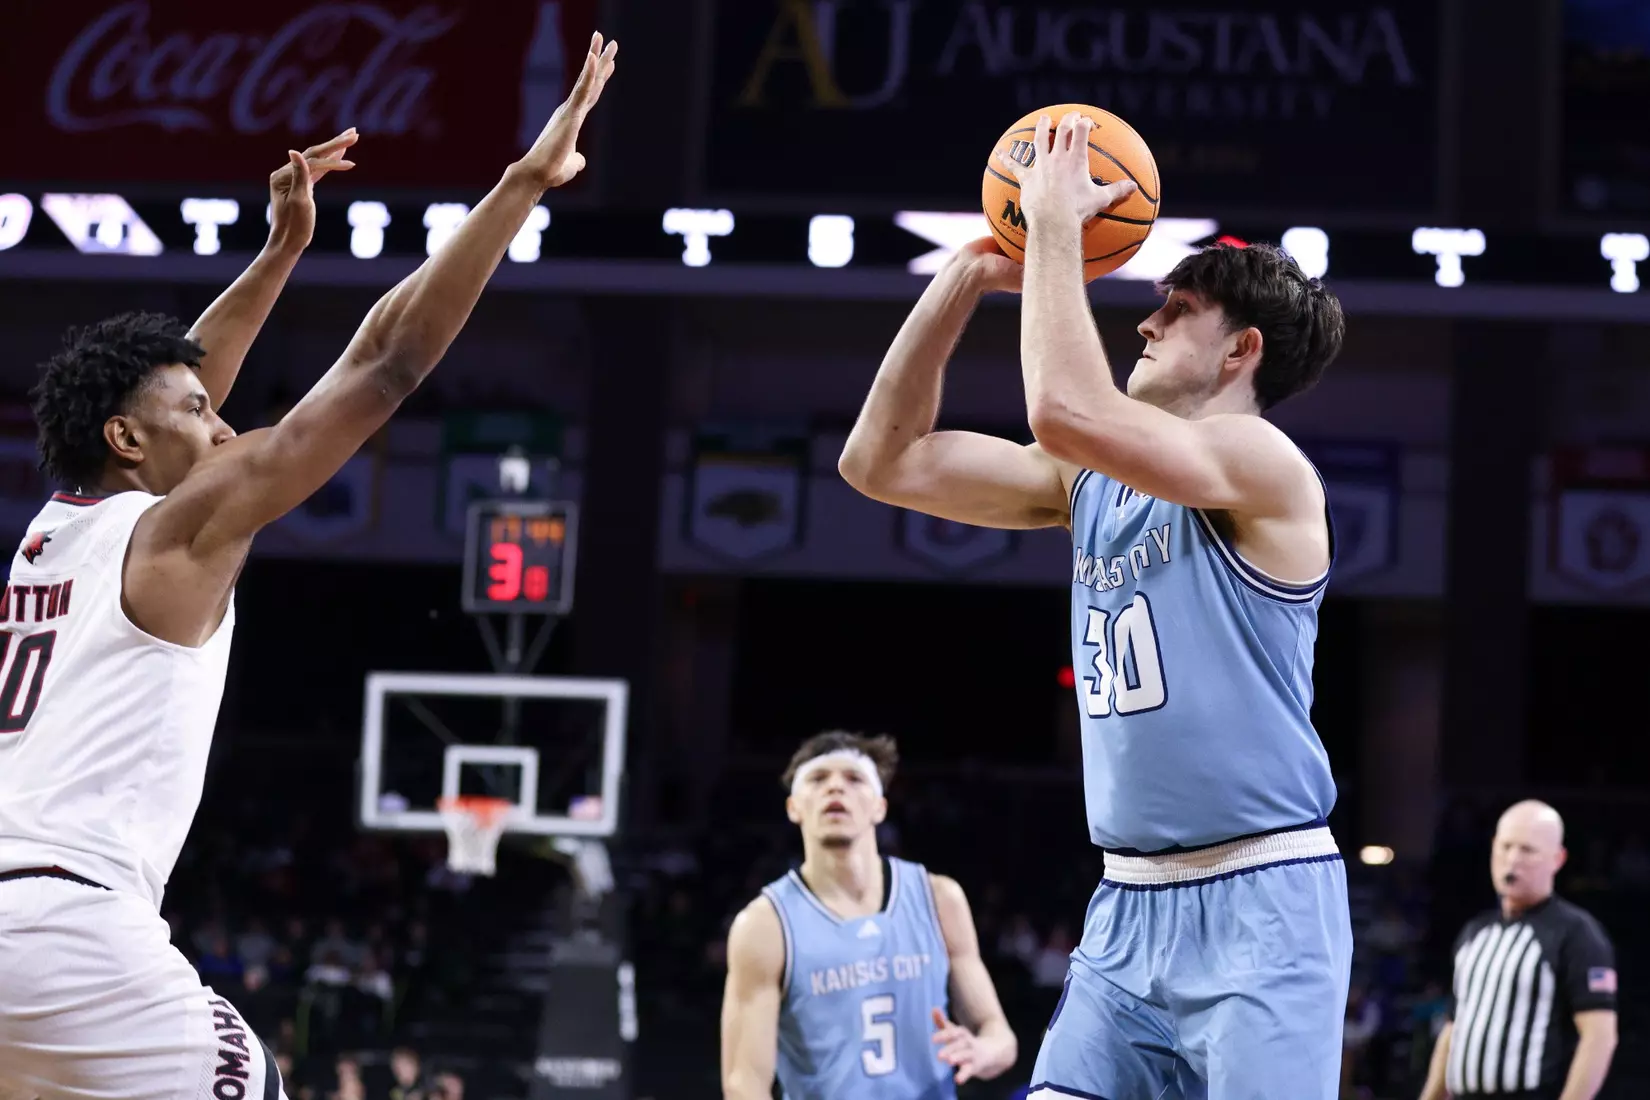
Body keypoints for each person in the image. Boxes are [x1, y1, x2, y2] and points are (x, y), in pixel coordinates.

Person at [0, 31, 618, 1100]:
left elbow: (175, 378)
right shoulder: (174, 534)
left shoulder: (57, 528)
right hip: (69, 933)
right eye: (203, 412)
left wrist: (281, 250)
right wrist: (521, 185)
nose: (224, 421)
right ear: (129, 440)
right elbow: (387, 361)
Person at [839, 111, 1350, 1099]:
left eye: (1179, 310)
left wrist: (1055, 231)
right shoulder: (1089, 481)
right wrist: (962, 277)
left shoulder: (1263, 462)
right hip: (1126, 904)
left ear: (1241, 350)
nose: (1146, 325)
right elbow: (881, 462)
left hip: (1264, 900)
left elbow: (1064, 407)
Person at [720, 732, 1017, 1099]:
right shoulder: (765, 925)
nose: (835, 788)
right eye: (818, 779)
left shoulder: (939, 899)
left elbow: (1000, 1036)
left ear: (879, 806)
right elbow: (744, 1083)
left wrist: (982, 1051)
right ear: (793, 807)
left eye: (854, 778)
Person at [1418, 800, 1618, 1100]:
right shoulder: (1475, 932)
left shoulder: (1577, 934)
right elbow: (1455, 1028)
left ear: (1557, 859)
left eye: (1528, 850)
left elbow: (1599, 1036)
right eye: (1506, 846)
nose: (1512, 860)